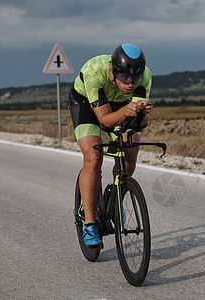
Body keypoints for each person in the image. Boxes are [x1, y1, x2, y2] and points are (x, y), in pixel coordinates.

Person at [69, 43, 153, 247]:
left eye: (135, 77)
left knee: (131, 151)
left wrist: (141, 113)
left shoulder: (145, 76)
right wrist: (127, 112)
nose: (130, 83)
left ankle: (115, 197)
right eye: (125, 76)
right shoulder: (94, 72)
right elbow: (105, 120)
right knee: (93, 156)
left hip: (121, 105)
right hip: (86, 104)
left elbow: (140, 123)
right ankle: (89, 220)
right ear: (113, 71)